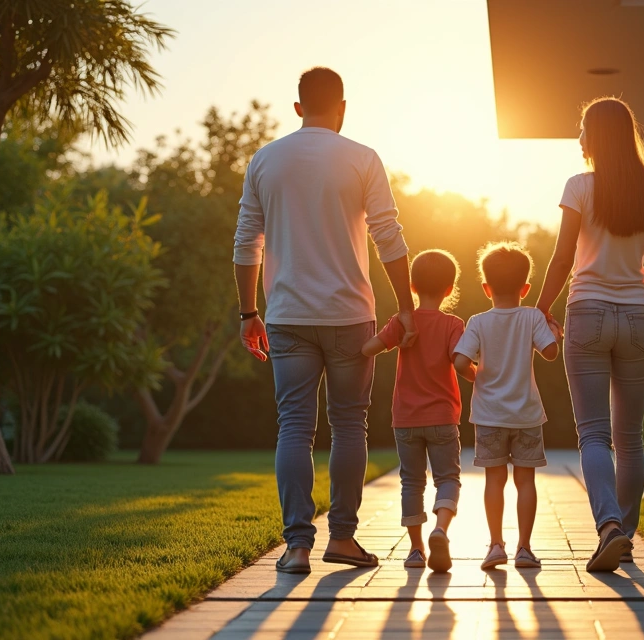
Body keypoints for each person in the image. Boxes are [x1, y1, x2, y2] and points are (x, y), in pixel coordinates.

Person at [233, 66, 417, 574]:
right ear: (342, 107)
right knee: (349, 424)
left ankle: (296, 546)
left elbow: (247, 241)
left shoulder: (265, 160)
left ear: (297, 108)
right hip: (350, 317)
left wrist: (250, 312)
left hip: (287, 316)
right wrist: (405, 306)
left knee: (293, 426)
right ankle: (342, 539)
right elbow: (389, 236)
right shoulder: (362, 158)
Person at [534, 97, 644, 573]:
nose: (578, 138)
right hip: (639, 318)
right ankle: (625, 536)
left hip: (588, 313)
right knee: (629, 439)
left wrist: (541, 307)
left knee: (594, 434)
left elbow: (561, 256)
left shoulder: (579, 187)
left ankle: (609, 528)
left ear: (594, 138)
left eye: (581, 130)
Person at [453, 242, 560, 571]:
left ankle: (496, 545)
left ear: (486, 288)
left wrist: (474, 375)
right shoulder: (531, 317)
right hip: (526, 415)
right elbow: (551, 352)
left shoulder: (478, 321)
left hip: (489, 416)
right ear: (526, 288)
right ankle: (524, 549)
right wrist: (555, 330)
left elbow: (459, 360)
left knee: (493, 481)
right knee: (525, 481)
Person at [361, 249, 467, 573]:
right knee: (448, 477)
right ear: (450, 289)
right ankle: (441, 529)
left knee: (412, 482)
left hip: (405, 420)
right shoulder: (453, 324)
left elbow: (367, 350)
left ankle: (416, 550)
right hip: (443, 418)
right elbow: (462, 365)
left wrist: (394, 341)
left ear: (411, 285)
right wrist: (481, 371)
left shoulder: (400, 322)